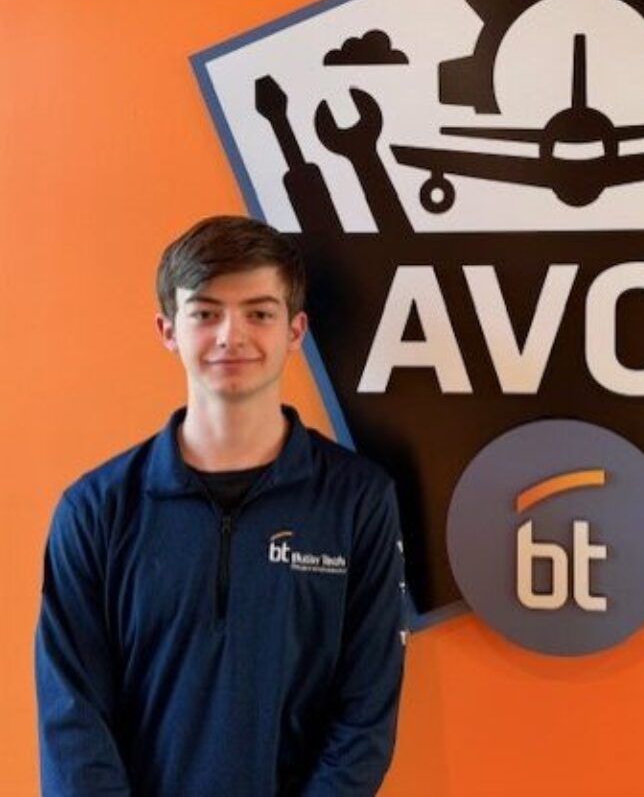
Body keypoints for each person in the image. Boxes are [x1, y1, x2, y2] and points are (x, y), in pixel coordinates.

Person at [35, 215, 406, 797]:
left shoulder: (357, 501)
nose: (232, 335)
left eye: (259, 312)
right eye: (205, 313)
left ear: (295, 330)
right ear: (167, 329)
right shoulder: (95, 511)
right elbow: (72, 718)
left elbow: (365, 716)